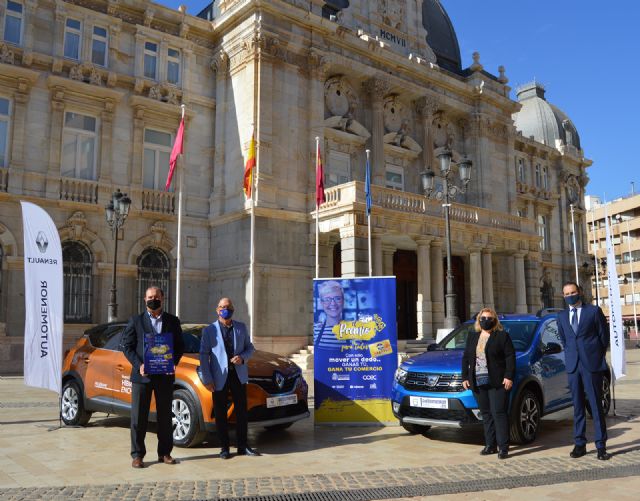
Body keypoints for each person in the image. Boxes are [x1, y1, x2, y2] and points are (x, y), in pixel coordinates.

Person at [121, 286, 184, 468]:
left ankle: (164, 453)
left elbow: (179, 346)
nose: (153, 299)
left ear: (162, 298)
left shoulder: (173, 321)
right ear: (144, 299)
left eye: (156, 296)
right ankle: (137, 455)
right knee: (138, 417)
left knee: (165, 416)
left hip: (164, 376)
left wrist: (174, 361)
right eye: (149, 297)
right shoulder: (136, 321)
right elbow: (126, 346)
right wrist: (138, 365)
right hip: (142, 376)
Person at [199, 297, 259, 459]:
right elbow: (204, 355)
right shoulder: (209, 330)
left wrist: (243, 358)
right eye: (222, 307)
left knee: (241, 413)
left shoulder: (241, 327)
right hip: (218, 378)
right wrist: (207, 378)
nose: (226, 309)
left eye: (229, 306)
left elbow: (250, 347)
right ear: (217, 310)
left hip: (238, 375)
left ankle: (243, 446)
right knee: (220, 413)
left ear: (233, 309)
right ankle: (224, 448)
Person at [557, 281, 611, 460]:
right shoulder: (562, 316)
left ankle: (601, 445)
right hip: (573, 366)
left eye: (572, 292)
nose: (570, 296)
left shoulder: (593, 311)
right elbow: (565, 340)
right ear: (563, 296)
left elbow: (604, 337)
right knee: (578, 406)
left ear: (579, 292)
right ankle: (579, 443)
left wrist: (596, 356)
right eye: (566, 294)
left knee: (595, 406)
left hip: (591, 365)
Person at [461, 308, 515, 460]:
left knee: (499, 413)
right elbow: (466, 358)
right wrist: (465, 377)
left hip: (497, 382)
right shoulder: (472, 336)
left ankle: (503, 447)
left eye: (490, 318)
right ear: (479, 320)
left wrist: (509, 376)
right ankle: (490, 445)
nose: (486, 320)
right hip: (478, 381)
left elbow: (510, 357)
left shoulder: (502, 336)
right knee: (486, 414)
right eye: (483, 318)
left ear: (495, 321)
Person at [314, 281, 348, 350]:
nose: (333, 303)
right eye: (327, 299)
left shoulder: (354, 330)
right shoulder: (315, 330)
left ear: (343, 301)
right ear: (321, 303)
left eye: (337, 298)